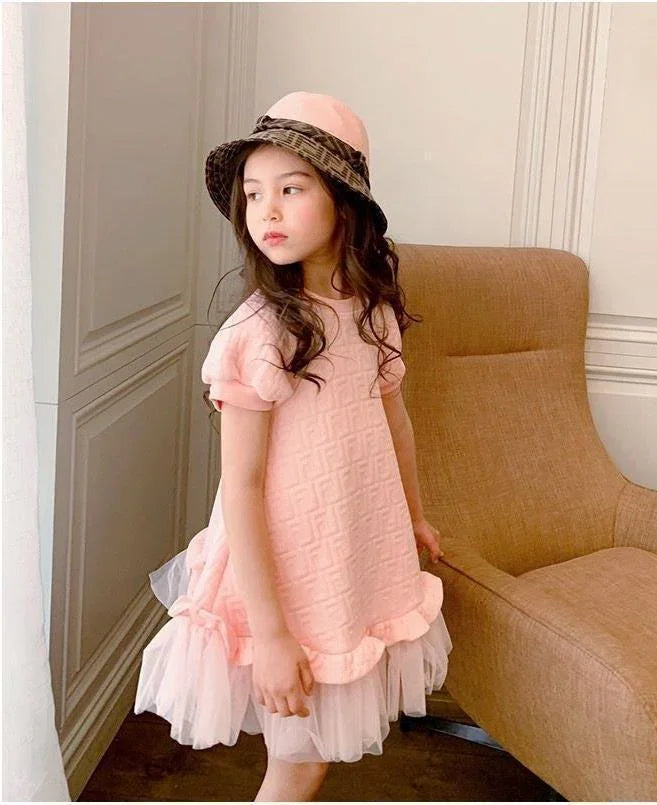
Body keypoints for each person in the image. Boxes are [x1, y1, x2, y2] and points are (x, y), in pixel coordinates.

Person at [133, 90, 453, 802]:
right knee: (300, 758)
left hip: (347, 552)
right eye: (252, 195)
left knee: (312, 754)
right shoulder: (258, 334)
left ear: (344, 202)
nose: (266, 211)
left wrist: (414, 515)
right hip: (281, 573)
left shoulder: (370, 311)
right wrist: (273, 636)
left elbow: (391, 423)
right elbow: (241, 487)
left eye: (290, 189)